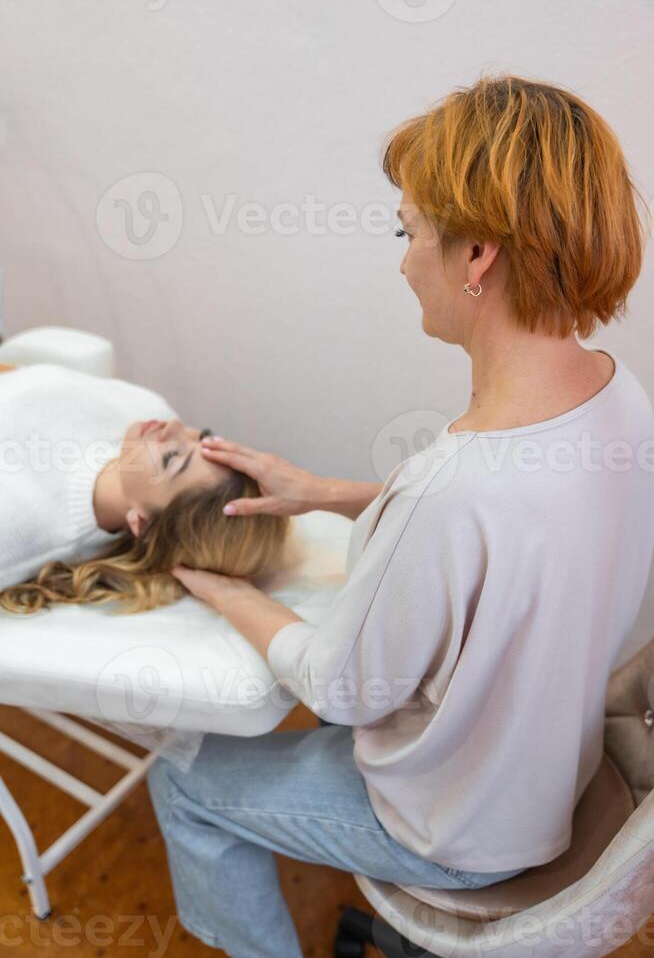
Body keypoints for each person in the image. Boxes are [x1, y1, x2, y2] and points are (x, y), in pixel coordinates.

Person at [145, 73, 654, 958]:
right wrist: (329, 492)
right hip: (553, 777)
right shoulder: (619, 400)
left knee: (184, 781)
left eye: (408, 229)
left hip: (465, 836)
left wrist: (219, 586)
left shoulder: (449, 489)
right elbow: (513, 537)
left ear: (477, 257)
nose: (402, 259)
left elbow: (343, 690)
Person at [0, 362, 290, 613]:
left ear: (142, 523)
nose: (174, 426)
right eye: (202, 438)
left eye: (172, 459)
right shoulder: (148, 410)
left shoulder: (16, 530)